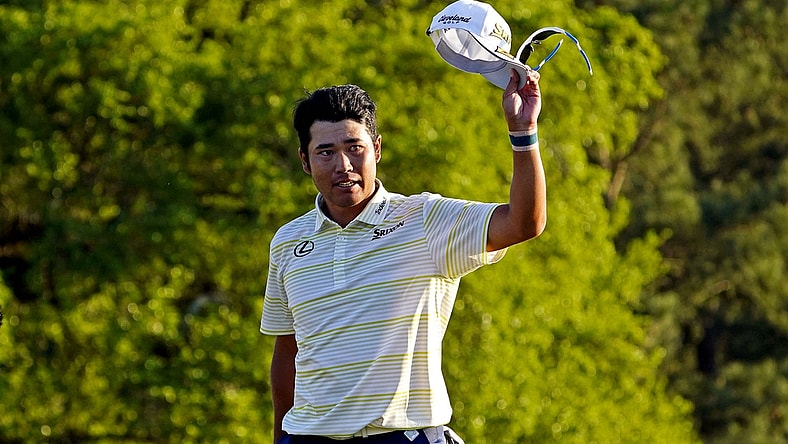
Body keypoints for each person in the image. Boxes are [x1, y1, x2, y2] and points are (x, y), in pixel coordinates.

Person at [260, 68, 545, 443]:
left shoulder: (425, 219)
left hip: (403, 435)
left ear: (376, 148)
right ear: (304, 160)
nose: (343, 165)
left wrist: (523, 134)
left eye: (354, 148)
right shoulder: (288, 242)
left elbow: (525, 222)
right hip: (308, 437)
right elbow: (288, 351)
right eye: (325, 152)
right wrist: (280, 438)